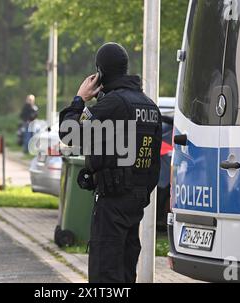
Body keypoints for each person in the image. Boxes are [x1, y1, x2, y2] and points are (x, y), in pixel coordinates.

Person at [59, 42, 162, 283]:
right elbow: (154, 163)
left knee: (105, 273)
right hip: (136, 203)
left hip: (112, 201)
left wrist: (79, 99)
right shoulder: (150, 107)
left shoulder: (114, 104)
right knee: (126, 273)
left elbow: (69, 133)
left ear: (100, 72)